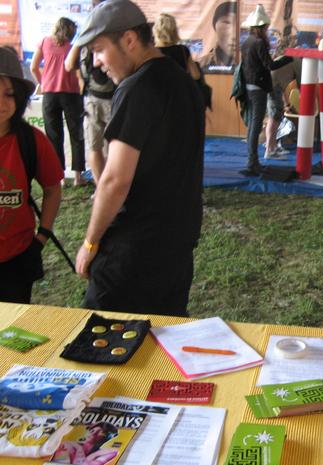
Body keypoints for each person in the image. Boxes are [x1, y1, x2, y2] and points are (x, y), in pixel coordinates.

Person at [73, 0, 205, 316]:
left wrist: (90, 243)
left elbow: (115, 180)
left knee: (105, 338)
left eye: (100, 50)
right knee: (162, 337)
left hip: (133, 250)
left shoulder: (137, 87)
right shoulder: (184, 82)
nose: (96, 63)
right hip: (176, 244)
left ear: (130, 40)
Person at [0, 46, 63, 304]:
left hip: (16, 261)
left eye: (9, 94)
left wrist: (42, 235)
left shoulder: (31, 140)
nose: (2, 103)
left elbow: (52, 188)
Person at [65, 0, 116, 190]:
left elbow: (69, 65)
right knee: (108, 147)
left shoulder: (87, 34)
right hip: (106, 99)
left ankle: (103, 188)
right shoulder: (114, 30)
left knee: (97, 147)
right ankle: (105, 188)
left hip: (95, 99)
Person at [30, 17, 86, 186]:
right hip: (71, 95)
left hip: (50, 95)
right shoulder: (74, 48)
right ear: (71, 31)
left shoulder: (44, 42)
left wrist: (43, 83)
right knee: (76, 134)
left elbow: (33, 67)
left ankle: (60, 177)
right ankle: (78, 177)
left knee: (54, 136)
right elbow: (80, 73)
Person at [240, 4, 292, 175]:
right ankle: (252, 162)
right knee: (255, 126)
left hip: (249, 87)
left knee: (253, 126)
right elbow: (270, 65)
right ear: (262, 27)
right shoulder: (259, 42)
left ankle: (252, 161)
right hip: (259, 88)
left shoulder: (247, 42)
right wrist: (289, 58)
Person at [264, 58, 300, 160]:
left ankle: (273, 147)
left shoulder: (288, 61)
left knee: (275, 117)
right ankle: (269, 150)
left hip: (271, 84)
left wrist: (287, 104)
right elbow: (302, 85)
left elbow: (283, 86)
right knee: (274, 118)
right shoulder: (299, 63)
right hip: (272, 85)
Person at [153, 13, 201, 80]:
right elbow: (196, 75)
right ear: (174, 30)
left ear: (156, 30)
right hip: (181, 86)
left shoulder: (152, 52)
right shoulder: (183, 50)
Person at [52, 422, 119, 465]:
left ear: (106, 438)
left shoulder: (108, 453)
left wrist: (94, 454)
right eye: (92, 431)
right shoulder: (67, 445)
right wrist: (79, 449)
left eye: (99, 433)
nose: (93, 434)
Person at [198, 1, 237, 72]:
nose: (233, 35)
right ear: (215, 26)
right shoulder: (202, 64)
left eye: (239, 24)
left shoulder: (247, 63)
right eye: (227, 22)